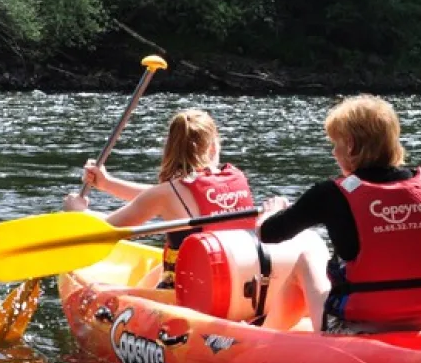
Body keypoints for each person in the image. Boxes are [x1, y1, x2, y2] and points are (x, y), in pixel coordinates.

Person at [258, 94, 421, 334]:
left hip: (359, 326)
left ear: (351, 146)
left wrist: (271, 212)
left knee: (309, 256)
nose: (334, 153)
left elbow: (269, 234)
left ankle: (261, 341)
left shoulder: (329, 194)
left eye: (336, 144)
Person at [62, 109, 284, 289]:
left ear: (170, 149)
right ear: (214, 146)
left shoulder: (169, 194)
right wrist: (108, 184)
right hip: (239, 286)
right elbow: (163, 198)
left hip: (191, 293)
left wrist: (77, 212)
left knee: (160, 273)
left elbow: (107, 229)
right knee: (156, 271)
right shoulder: (233, 179)